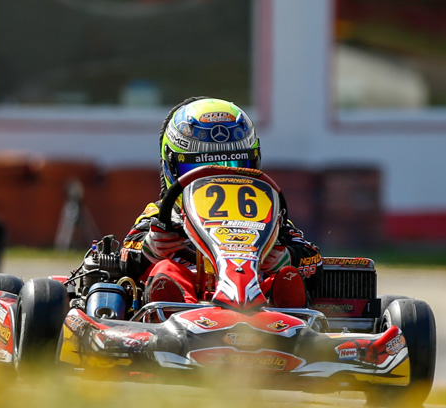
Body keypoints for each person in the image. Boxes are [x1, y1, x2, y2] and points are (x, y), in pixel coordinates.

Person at [120, 96, 321, 308]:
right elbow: (124, 257)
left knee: (286, 276)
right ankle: (172, 307)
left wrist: (287, 258)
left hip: (257, 301)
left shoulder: (267, 214)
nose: (219, 179)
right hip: (188, 307)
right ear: (172, 165)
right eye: (201, 169)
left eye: (233, 164)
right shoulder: (164, 214)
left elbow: (313, 259)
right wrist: (149, 248)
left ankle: (284, 311)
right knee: (166, 271)